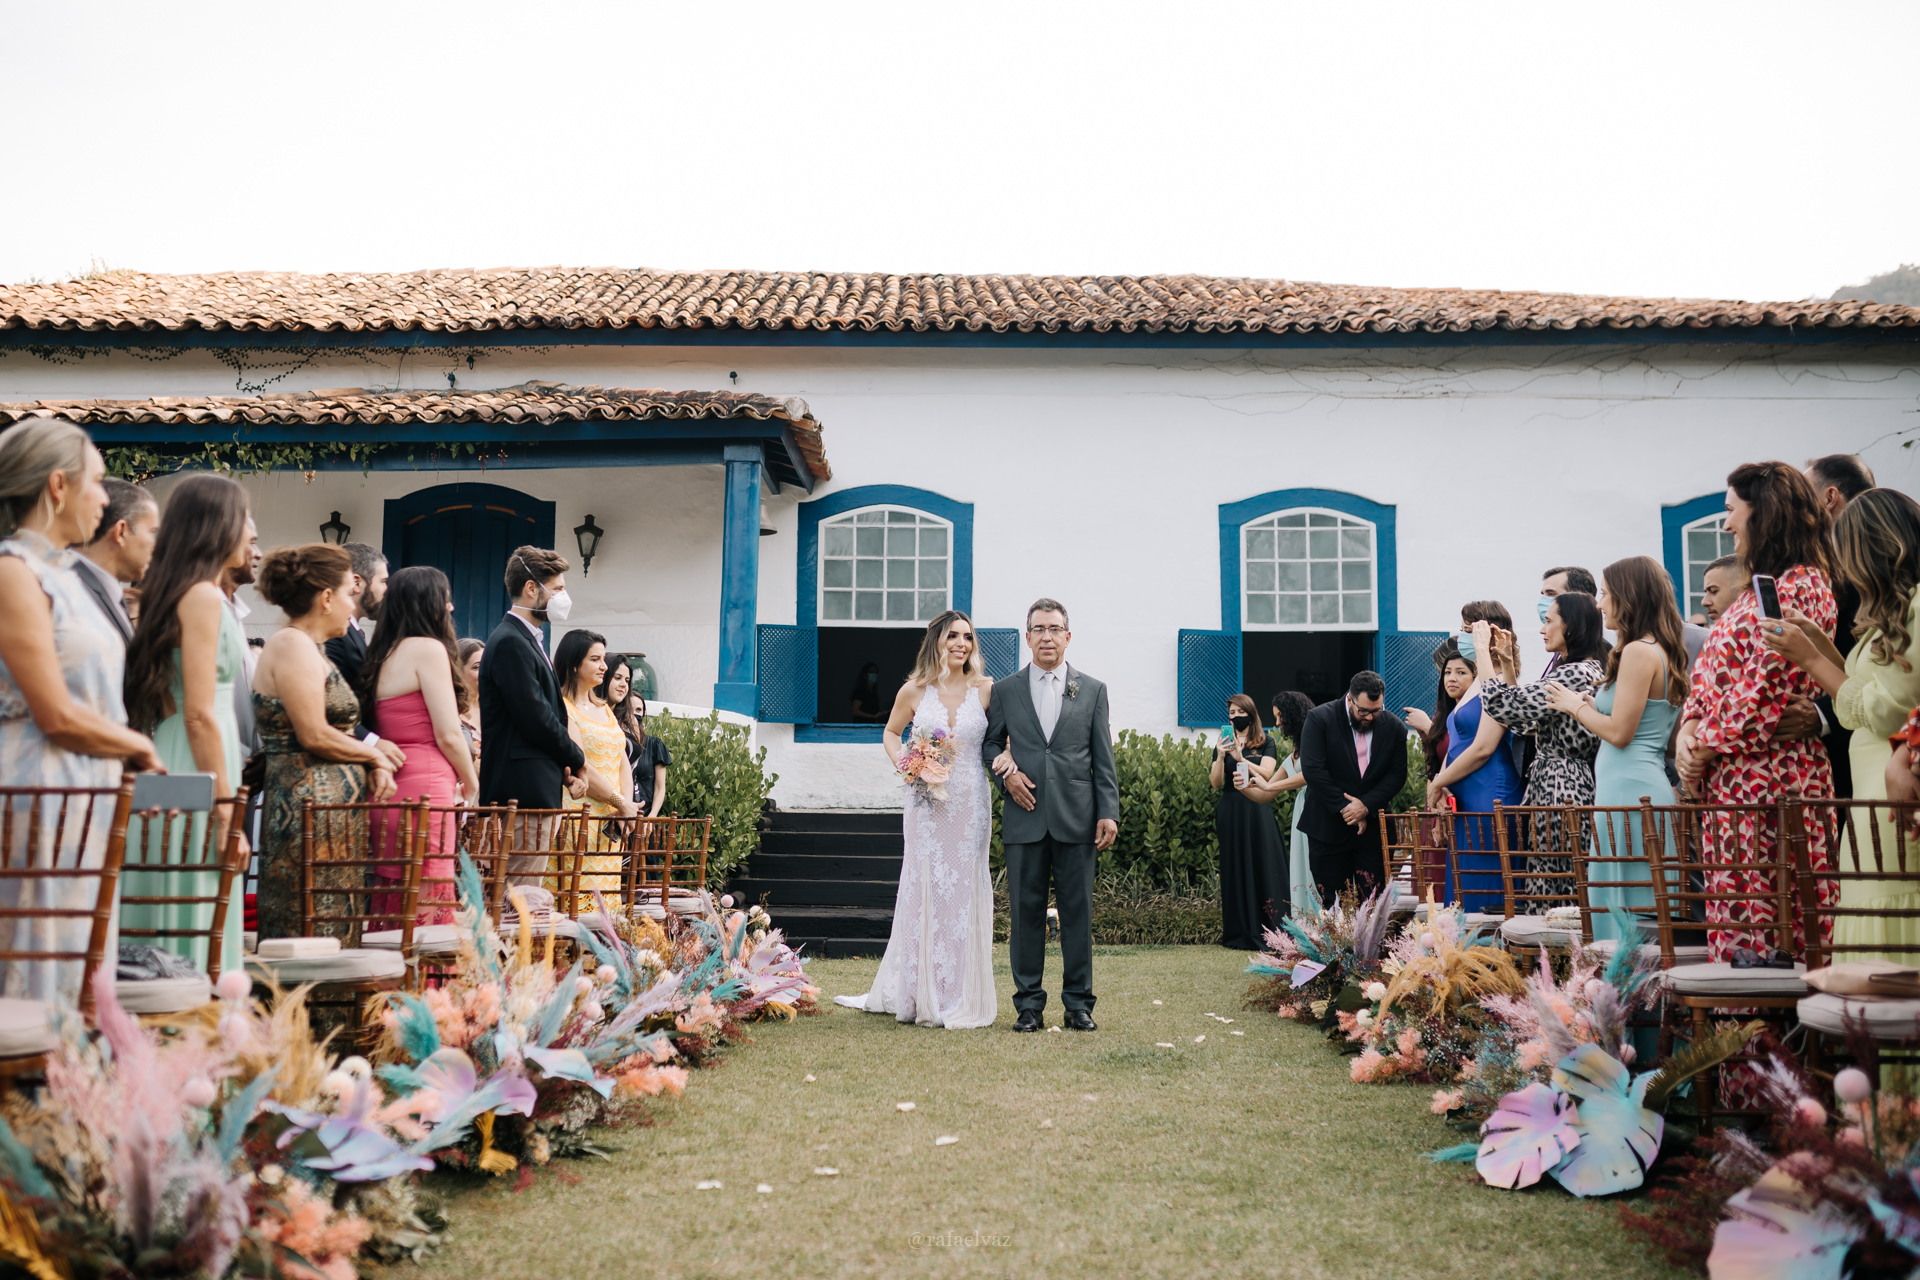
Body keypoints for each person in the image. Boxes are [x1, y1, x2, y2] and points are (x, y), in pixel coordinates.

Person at [0, 418, 161, 1004]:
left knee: (83, 959)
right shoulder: (13, 573)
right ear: (57, 486)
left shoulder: (69, 578)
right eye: (96, 481)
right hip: (39, 790)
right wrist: (136, 746)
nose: (104, 494)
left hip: (86, 790)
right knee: (39, 957)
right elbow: (54, 711)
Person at [1677, 461, 1838, 961]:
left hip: (1773, 786)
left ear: (1763, 513)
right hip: (1734, 785)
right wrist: (1687, 730)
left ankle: (1770, 1039)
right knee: (1737, 932)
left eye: (1731, 511)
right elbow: (1706, 678)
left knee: (1772, 939)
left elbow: (1765, 689)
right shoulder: (1758, 590)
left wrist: (1701, 745)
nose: (1725, 524)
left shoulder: (1800, 586)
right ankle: (1738, 1039)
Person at [1763, 488, 1920, 966]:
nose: (1842, 566)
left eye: (1844, 552)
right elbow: (1858, 692)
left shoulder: (1915, 608)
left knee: (1890, 921)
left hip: (1896, 788)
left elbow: (1887, 712)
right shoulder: (1889, 617)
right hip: (1873, 790)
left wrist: (1810, 659)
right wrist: (1817, 644)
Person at [839, 610, 998, 1029]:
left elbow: (1005, 738)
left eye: (967, 637)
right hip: (926, 805)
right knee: (924, 886)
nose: (961, 643)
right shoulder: (914, 690)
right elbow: (891, 733)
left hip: (969, 804)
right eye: (952, 636)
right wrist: (907, 765)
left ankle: (958, 991)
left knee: (963, 888)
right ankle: (918, 990)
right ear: (937, 642)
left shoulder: (985, 690)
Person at [121, 474, 254, 970]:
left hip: (198, 753)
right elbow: (198, 712)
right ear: (217, 527)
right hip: (197, 761)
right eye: (243, 522)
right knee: (196, 898)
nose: (249, 535)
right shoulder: (200, 596)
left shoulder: (196, 593)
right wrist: (222, 809)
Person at [981, 598, 1118, 1033]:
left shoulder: (1092, 690)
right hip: (1024, 818)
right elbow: (989, 745)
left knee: (1078, 913)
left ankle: (1079, 1004)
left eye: (1054, 628)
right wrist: (1007, 776)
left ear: (1067, 636)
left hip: (1078, 819)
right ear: (1027, 637)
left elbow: (1103, 758)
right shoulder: (1005, 690)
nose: (1046, 636)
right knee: (1025, 914)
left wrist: (1108, 812)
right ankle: (1028, 1006)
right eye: (1038, 629)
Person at [250, 545, 400, 939]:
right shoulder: (292, 645)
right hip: (304, 817)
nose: (354, 607)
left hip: (328, 817)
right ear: (326, 597)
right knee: (309, 925)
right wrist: (374, 758)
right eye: (349, 596)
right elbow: (313, 733)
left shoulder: (311, 649)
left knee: (336, 927)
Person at [1544, 561, 1689, 940]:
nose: (1599, 604)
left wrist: (1575, 706)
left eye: (1605, 594)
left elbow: (1621, 734)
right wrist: (1593, 704)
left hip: (1630, 788)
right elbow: (1661, 733)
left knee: (1627, 903)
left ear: (1629, 597)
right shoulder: (1656, 649)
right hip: (1632, 784)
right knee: (1625, 896)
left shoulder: (1640, 652)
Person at [360, 567, 478, 924]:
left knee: (394, 894)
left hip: (390, 787)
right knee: (427, 897)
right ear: (429, 604)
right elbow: (447, 733)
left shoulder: (382, 652)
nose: (452, 608)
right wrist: (471, 781)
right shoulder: (428, 649)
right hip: (426, 787)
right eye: (445, 599)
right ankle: (425, 979)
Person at [1482, 592, 1609, 914]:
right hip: (1557, 783)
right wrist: (1508, 665)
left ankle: (1561, 958)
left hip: (1560, 786)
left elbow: (1501, 705)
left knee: (1557, 883)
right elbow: (1525, 723)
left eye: (1549, 621)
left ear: (1573, 626)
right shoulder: (1575, 670)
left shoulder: (1575, 673)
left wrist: (1484, 655)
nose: (1542, 629)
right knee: (1550, 878)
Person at [478, 547, 586, 884]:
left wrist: (563, 767)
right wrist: (576, 757)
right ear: (530, 588)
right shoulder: (511, 641)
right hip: (520, 793)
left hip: (535, 786)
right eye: (556, 589)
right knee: (518, 902)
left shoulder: (526, 639)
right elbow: (535, 717)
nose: (562, 597)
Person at [1426, 610, 1525, 912]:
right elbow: (1457, 743)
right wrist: (1442, 786)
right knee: (1464, 883)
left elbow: (1483, 747)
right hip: (1466, 797)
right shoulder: (1475, 684)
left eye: (1469, 630)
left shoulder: (1498, 682)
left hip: (1490, 793)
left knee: (1486, 885)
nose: (1462, 636)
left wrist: (1440, 782)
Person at [1800, 453, 1877, 798]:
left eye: (1802, 495)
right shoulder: (1819, 565)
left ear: (1829, 498)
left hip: (1872, 753)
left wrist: (1822, 713)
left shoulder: (1879, 568)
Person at [1298, 671, 1409, 907]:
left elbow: (1397, 775)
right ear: (1350, 699)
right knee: (1333, 902)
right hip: (1327, 826)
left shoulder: (1395, 728)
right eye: (1364, 711)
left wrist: (1365, 806)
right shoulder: (1319, 719)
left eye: (1377, 710)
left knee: (1372, 900)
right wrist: (1348, 809)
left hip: (1372, 832)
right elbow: (1314, 770)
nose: (1370, 717)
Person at [554, 628, 636, 900]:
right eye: (595, 659)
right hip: (580, 819)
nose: (604, 666)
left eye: (603, 659)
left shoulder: (603, 707)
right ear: (575, 663)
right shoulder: (563, 708)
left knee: (606, 903)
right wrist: (621, 802)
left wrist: (626, 806)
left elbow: (621, 757)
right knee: (579, 901)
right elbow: (582, 766)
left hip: (611, 822)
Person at [1209, 693, 1285, 949]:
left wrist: (1241, 760)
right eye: (1231, 713)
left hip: (1257, 807)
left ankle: (1270, 930)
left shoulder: (1265, 741)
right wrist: (1221, 756)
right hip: (1231, 809)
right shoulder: (1223, 742)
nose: (1235, 717)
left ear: (1250, 713)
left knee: (1263, 863)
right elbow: (1216, 782)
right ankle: (1238, 932)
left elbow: (1268, 773)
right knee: (1235, 867)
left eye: (1239, 712)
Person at [1247, 690, 1315, 918]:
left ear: (1294, 715)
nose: (1277, 723)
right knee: (1301, 871)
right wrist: (1244, 787)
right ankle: (1306, 931)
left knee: (1315, 872)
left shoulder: (1317, 744)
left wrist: (1267, 786)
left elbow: (1309, 775)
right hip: (1301, 815)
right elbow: (1265, 795)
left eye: (1280, 716)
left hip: (1318, 811)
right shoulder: (1294, 755)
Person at [72, 478, 157, 646]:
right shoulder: (73, 592)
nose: (155, 546)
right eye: (152, 532)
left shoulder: (101, 589)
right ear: (121, 532)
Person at [603, 657, 671, 819]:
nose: (635, 714)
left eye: (639, 709)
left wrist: (652, 816)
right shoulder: (612, 728)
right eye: (617, 678)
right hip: (617, 808)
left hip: (642, 813)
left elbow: (660, 786)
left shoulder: (654, 744)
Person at [324, 542, 386, 702]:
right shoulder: (332, 633)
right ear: (357, 583)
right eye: (383, 581)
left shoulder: (354, 631)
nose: (387, 589)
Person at [456, 638, 485, 763]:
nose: (485, 671)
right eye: (477, 667)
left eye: (487, 664)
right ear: (458, 672)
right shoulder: (450, 713)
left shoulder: (497, 709)